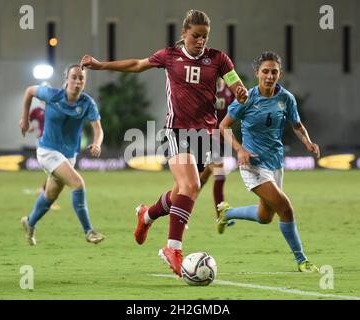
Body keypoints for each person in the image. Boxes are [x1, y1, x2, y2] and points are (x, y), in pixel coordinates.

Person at [81, 9, 248, 277]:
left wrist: (240, 92)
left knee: (178, 194)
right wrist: (102, 65)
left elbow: (235, 83)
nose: (200, 41)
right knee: (191, 185)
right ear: (183, 34)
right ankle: (172, 248)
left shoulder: (218, 59)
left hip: (203, 135)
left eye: (204, 36)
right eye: (195, 36)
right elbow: (137, 64)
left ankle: (146, 215)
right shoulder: (170, 56)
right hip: (176, 130)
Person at [218, 51, 320, 272]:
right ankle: (302, 260)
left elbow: (297, 125)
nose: (270, 76)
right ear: (257, 73)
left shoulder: (286, 99)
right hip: (252, 163)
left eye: (274, 72)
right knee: (286, 209)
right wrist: (239, 149)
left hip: (275, 163)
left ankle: (227, 213)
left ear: (279, 74)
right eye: (265, 71)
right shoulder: (246, 98)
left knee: (265, 217)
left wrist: (308, 142)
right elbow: (223, 126)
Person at [19, 64, 105, 246]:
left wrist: (97, 144)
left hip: (68, 156)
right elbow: (29, 91)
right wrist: (25, 119)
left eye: (81, 78)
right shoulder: (52, 95)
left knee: (50, 195)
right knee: (77, 183)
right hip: (47, 151)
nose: (77, 81)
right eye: (74, 77)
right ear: (67, 79)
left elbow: (98, 129)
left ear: (84, 81)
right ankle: (89, 231)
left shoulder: (87, 103)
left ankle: (29, 222)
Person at [199, 78, 235, 224]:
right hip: (206, 137)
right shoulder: (202, 88)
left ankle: (178, 206)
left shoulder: (228, 89)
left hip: (221, 139)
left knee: (200, 180)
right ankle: (221, 216)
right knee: (220, 175)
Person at [27, 96, 61, 210]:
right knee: (54, 172)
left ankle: (45, 193)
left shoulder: (54, 108)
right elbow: (30, 118)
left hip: (55, 142)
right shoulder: (37, 111)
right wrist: (32, 127)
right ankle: (47, 199)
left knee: (53, 172)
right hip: (44, 144)